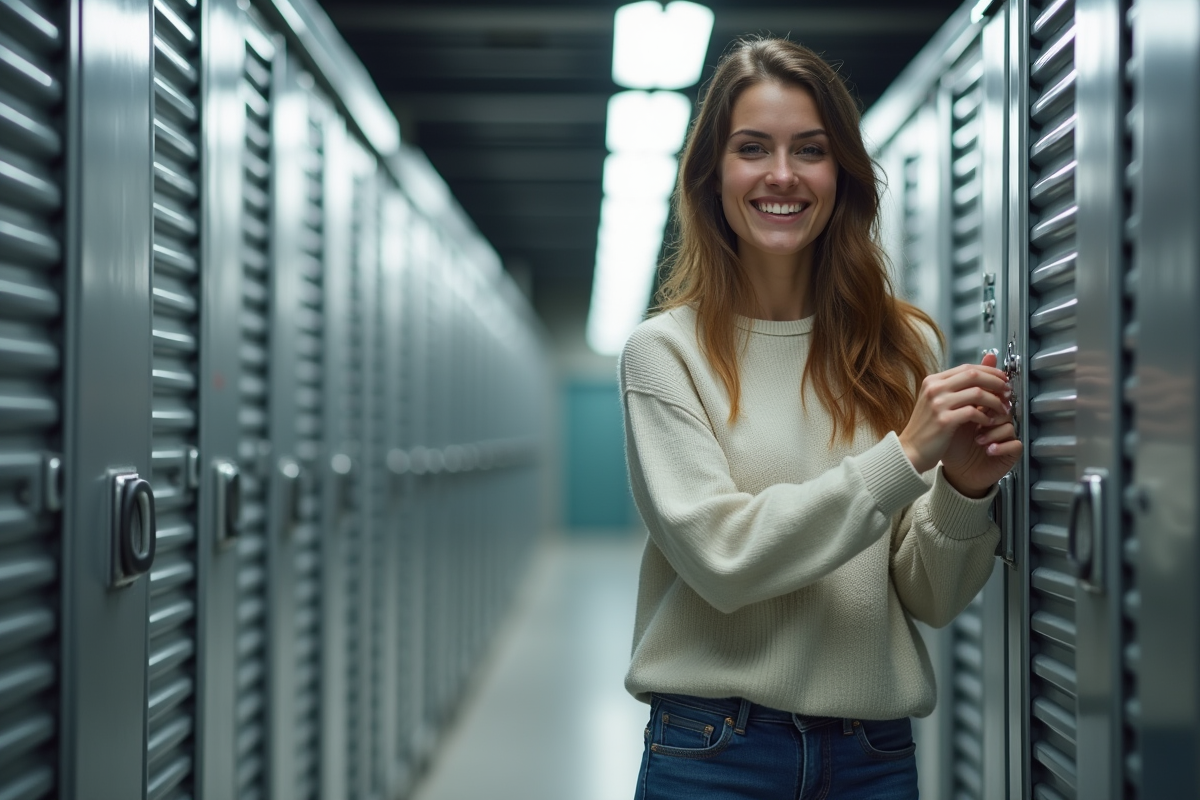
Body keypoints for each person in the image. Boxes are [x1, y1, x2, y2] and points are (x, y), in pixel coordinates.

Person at [619, 37, 1021, 799]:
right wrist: (904, 457)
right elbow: (723, 558)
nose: (781, 174)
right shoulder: (663, 354)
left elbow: (926, 598)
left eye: (810, 149)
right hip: (712, 755)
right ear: (712, 175)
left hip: (872, 755)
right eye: (752, 148)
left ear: (841, 176)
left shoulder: (905, 346)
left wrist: (963, 493)